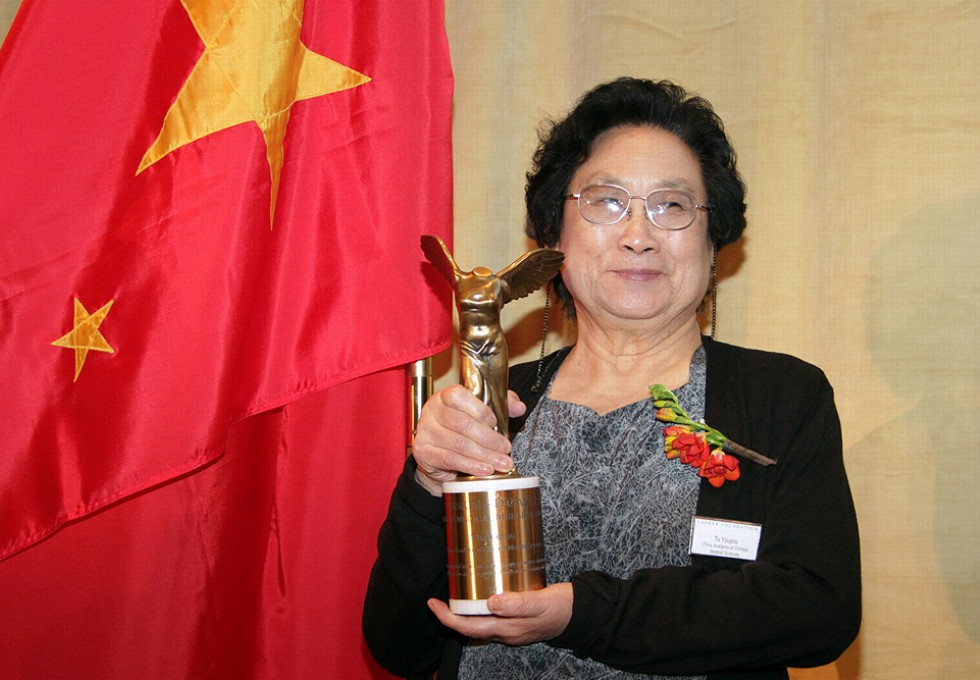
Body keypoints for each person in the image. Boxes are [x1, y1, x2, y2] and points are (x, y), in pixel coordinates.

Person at [363, 77, 860, 680]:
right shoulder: (491, 400)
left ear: (712, 243)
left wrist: (581, 613)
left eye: (672, 206)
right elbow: (399, 642)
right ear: (553, 239)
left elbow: (817, 608)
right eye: (606, 201)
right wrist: (429, 485)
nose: (638, 235)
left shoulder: (780, 397)